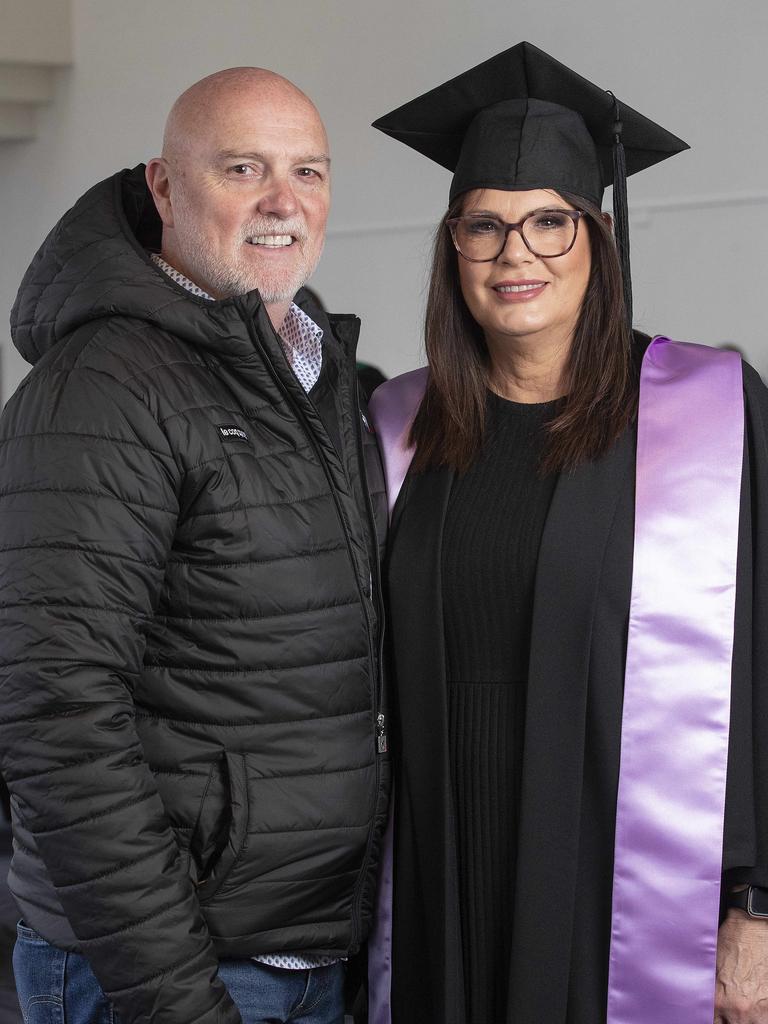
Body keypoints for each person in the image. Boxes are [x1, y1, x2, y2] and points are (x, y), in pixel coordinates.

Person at [366, 42, 768, 1024]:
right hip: (437, 888)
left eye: (551, 221)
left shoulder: (711, 412)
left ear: (597, 237)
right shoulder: (389, 430)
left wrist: (754, 904)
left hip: (625, 896)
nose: (517, 255)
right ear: (451, 243)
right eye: (486, 226)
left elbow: (764, 660)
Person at [0, 68, 389, 1024]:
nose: (281, 203)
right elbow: (57, 713)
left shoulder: (315, 372)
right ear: (164, 187)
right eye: (243, 168)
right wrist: (174, 997)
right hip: (170, 971)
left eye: (308, 171)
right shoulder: (106, 386)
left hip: (310, 957)